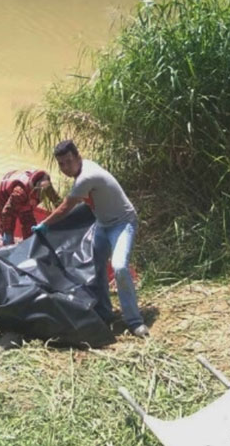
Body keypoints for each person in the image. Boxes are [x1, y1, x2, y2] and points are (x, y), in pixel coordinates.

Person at [34, 140, 149, 338]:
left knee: (120, 267)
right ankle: (105, 312)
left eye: (69, 161)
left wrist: (45, 224)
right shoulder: (81, 171)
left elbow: (65, 208)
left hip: (122, 223)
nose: (65, 168)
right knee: (97, 268)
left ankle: (134, 321)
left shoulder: (86, 177)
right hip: (102, 225)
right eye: (61, 164)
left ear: (78, 157)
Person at [0, 169, 61, 246]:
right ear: (35, 189)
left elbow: (58, 202)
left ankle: (29, 244)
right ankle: (6, 242)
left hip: (26, 195)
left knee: (29, 225)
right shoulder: (20, 192)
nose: (45, 194)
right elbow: (7, 212)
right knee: (6, 223)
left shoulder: (46, 185)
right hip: (5, 191)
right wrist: (8, 237)